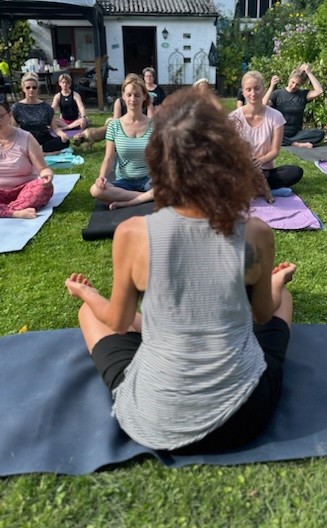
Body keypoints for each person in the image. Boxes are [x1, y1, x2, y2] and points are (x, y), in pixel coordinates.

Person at [65, 88, 296, 453]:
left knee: (88, 313)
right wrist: (277, 282)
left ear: (160, 160)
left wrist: (87, 294)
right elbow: (263, 313)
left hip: (158, 417)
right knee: (283, 298)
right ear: (229, 160)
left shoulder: (133, 234)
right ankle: (274, 286)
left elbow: (115, 319)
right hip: (245, 418)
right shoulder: (256, 233)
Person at [229, 71, 303, 190]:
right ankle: (258, 187)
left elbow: (274, 151)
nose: (253, 93)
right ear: (243, 92)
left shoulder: (276, 117)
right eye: (248, 89)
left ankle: (251, 187)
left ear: (263, 89)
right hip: (241, 170)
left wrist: (260, 161)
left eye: (257, 88)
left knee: (295, 171)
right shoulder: (233, 118)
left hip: (265, 171)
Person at [90, 74, 154, 209]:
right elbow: (108, 158)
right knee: (96, 190)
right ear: (123, 96)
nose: (133, 99)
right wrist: (101, 177)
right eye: (129, 95)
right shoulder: (114, 125)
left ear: (144, 97)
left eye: (137, 95)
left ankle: (130, 201)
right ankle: (144, 197)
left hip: (149, 181)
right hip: (124, 182)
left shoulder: (154, 125)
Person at [263, 64, 324, 148]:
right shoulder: (277, 94)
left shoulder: (303, 94)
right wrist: (271, 86)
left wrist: (309, 72)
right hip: (279, 131)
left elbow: (319, 91)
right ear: (289, 80)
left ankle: (287, 141)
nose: (294, 86)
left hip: (296, 133)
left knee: (320, 134)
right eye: (293, 82)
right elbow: (263, 105)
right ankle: (295, 143)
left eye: (297, 84)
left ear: (301, 85)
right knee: (267, 133)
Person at [11, 73, 70, 153]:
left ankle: (37, 150)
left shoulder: (46, 107)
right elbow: (13, 130)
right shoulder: (16, 107)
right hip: (26, 139)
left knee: (65, 141)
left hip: (44, 140)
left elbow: (55, 128)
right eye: (28, 87)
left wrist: (62, 134)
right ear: (23, 89)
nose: (31, 90)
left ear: (37, 89)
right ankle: (36, 150)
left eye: (34, 87)